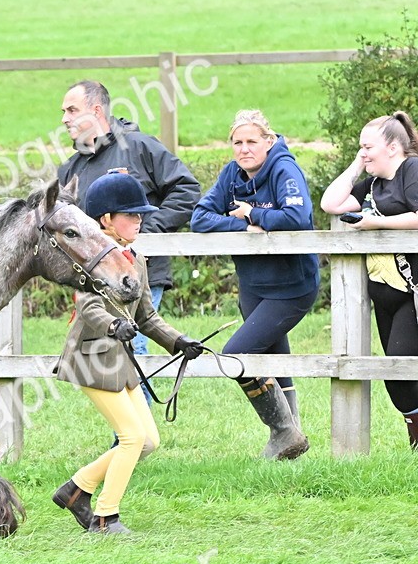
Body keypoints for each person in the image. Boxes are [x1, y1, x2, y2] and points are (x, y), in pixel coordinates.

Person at [52, 172, 203, 535]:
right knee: (132, 437)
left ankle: (76, 489)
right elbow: (88, 306)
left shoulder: (135, 258)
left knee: (148, 441)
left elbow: (147, 315)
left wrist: (177, 341)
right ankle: (105, 517)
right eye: (131, 214)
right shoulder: (92, 254)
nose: (139, 220)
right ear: (106, 219)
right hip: (93, 357)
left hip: (120, 361)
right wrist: (112, 326)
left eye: (140, 215)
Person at [57, 80, 200, 402]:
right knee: (110, 357)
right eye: (63, 112)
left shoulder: (139, 147)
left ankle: (134, 440)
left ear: (96, 111)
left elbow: (186, 190)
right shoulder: (71, 168)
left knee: (131, 350)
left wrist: (144, 235)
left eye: (72, 110)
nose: (64, 118)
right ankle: (132, 439)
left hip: (138, 275)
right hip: (95, 281)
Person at [190, 110, 318, 459]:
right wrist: (244, 229)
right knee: (274, 359)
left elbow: (297, 217)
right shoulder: (232, 174)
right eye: (238, 142)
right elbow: (200, 217)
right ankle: (293, 439)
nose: (244, 149)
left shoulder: (283, 169)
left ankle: (283, 432)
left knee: (236, 355)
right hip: (253, 285)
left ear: (269, 141)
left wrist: (252, 212)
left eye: (251, 141)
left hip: (291, 286)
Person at [320, 110, 418, 450]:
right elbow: (330, 203)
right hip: (381, 291)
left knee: (399, 362)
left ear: (392, 147)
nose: (363, 152)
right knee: (394, 377)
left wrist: (377, 223)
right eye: (360, 147)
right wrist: (357, 165)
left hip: (410, 289)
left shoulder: (411, 170)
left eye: (368, 146)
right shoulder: (373, 184)